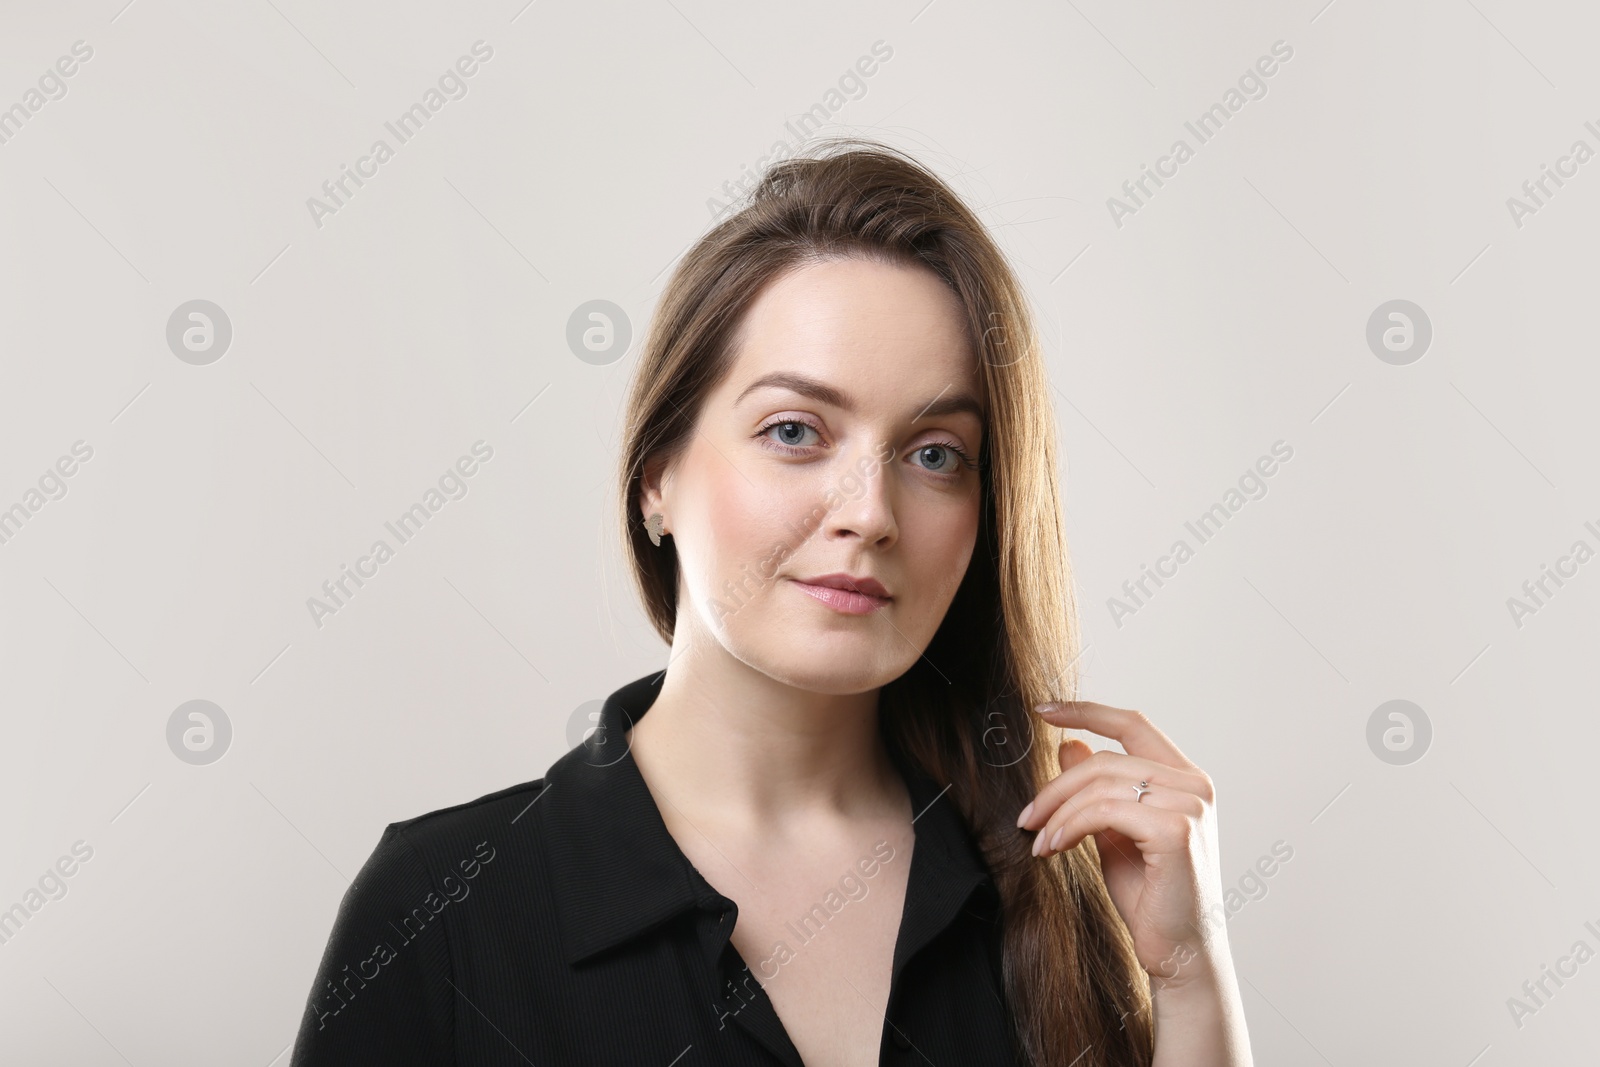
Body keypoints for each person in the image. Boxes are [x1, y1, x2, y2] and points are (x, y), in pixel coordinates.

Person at [289, 138, 1251, 1066]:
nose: (869, 512)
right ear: (656, 476)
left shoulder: (1054, 891)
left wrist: (1190, 978)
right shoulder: (442, 912)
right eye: (796, 430)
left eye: (934, 454)